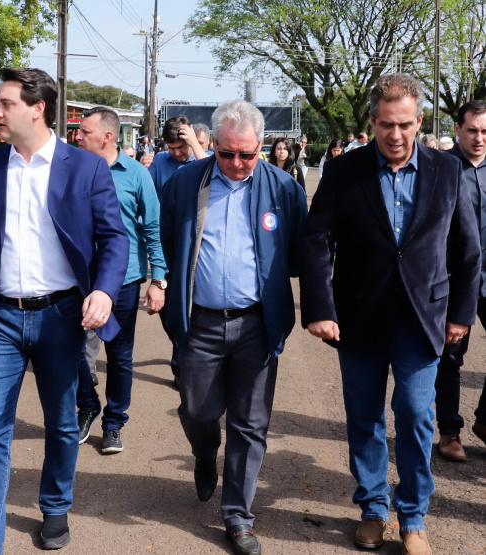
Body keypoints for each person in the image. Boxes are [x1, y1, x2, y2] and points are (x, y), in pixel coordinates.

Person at [300, 73, 480, 555]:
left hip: (425, 321)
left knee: (418, 416)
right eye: (385, 125)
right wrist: (319, 306)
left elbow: (467, 250)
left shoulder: (448, 171)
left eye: (404, 124)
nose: (395, 135)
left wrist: (462, 313)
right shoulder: (344, 171)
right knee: (363, 418)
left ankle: (414, 516)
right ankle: (373, 508)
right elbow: (317, 240)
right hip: (359, 318)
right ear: (372, 122)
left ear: (420, 121)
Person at [0, 68, 129, 554]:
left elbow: (115, 239)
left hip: (62, 316)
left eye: (5, 104)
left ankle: (55, 507)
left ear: (37, 109)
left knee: (61, 421)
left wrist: (106, 291)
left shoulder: (85, 167)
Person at [160, 99, 307, 555]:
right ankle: (205, 455)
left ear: (262, 147)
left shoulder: (284, 189)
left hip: (256, 325)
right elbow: (163, 240)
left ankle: (238, 516)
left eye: (248, 154)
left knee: (250, 423)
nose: (238, 164)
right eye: (228, 154)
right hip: (200, 323)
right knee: (198, 413)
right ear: (214, 145)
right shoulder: (186, 183)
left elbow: (304, 254)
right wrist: (159, 284)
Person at [74, 106, 166, 453]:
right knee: (68, 350)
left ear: (107, 136)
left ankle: (114, 423)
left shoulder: (136, 175)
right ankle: (88, 405)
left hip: (124, 280)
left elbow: (153, 229)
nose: (77, 137)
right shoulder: (72, 170)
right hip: (78, 279)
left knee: (119, 355)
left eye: (84, 132)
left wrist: (159, 280)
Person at [433, 100, 486, 462]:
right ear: (457, 128)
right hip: (454, 279)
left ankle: (485, 420)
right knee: (451, 357)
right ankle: (450, 432)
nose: (480, 138)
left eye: (485, 132)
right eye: (473, 130)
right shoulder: (442, 169)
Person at [144, 115, 210, 192]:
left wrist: (195, 143)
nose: (177, 153)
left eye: (180, 147)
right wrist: (141, 168)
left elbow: (209, 173)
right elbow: (145, 190)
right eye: (171, 148)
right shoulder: (159, 159)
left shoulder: (207, 157)